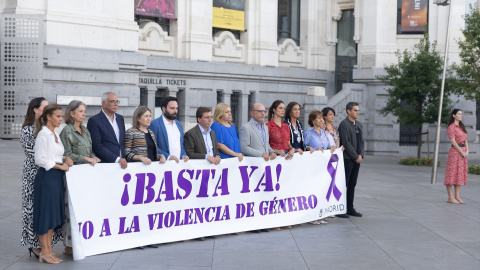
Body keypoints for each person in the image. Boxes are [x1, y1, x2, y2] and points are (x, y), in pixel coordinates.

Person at [20, 98, 62, 259]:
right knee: (31, 209)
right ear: (35, 110)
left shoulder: (48, 129)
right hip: (33, 174)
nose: (46, 110)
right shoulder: (28, 130)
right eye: (43, 108)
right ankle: (35, 245)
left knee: (44, 210)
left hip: (49, 172)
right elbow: (36, 155)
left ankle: (46, 246)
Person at [33, 104, 73, 264]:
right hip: (47, 178)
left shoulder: (54, 134)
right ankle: (44, 252)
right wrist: (60, 165)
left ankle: (48, 250)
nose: (60, 119)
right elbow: (40, 159)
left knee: (52, 216)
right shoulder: (43, 135)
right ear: (48, 117)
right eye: (57, 116)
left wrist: (65, 158)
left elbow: (55, 155)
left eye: (61, 116)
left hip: (56, 178)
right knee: (45, 216)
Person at [60, 100, 101, 255]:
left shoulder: (86, 130)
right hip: (73, 176)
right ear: (72, 113)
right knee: (71, 210)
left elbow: (90, 151)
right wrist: (85, 158)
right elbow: (66, 154)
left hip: (86, 176)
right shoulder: (67, 131)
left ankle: (83, 241)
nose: (84, 114)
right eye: (81, 111)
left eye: (85, 111)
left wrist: (93, 157)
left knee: (85, 209)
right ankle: (69, 245)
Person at [239, 103, 276, 233]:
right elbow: (243, 148)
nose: (262, 113)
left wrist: (272, 151)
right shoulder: (246, 128)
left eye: (264, 111)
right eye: (259, 111)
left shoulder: (265, 127)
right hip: (252, 168)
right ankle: (252, 224)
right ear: (252, 113)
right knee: (253, 197)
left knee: (263, 196)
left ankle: (262, 222)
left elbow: (266, 146)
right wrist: (261, 154)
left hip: (264, 167)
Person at [337, 102, 364, 218]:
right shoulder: (344, 124)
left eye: (358, 110)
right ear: (348, 111)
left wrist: (361, 155)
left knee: (352, 184)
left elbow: (362, 141)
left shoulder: (359, 124)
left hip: (357, 159)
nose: (357, 112)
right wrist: (355, 156)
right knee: (345, 184)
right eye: (355, 110)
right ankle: (341, 209)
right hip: (348, 159)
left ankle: (350, 208)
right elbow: (345, 142)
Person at [87, 92, 127, 169]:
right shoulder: (94, 120)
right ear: (104, 104)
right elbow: (97, 146)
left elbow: (122, 142)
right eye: (112, 101)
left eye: (117, 101)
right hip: (105, 165)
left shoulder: (120, 118)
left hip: (122, 165)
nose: (116, 104)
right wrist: (117, 159)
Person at [149, 96, 189, 163]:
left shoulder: (179, 125)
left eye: (176, 108)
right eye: (172, 108)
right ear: (163, 108)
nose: (175, 111)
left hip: (179, 165)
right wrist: (168, 156)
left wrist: (184, 155)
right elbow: (152, 146)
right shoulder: (154, 124)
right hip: (163, 165)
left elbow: (181, 145)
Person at [444, 109, 468, 204]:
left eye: (461, 114)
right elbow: (453, 141)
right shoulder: (451, 127)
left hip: (463, 152)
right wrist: (462, 152)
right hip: (455, 152)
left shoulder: (461, 127)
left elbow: (465, 139)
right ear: (454, 115)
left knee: (459, 174)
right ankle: (450, 197)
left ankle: (457, 197)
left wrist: (467, 150)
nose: (461, 115)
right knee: (451, 174)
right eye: (459, 114)